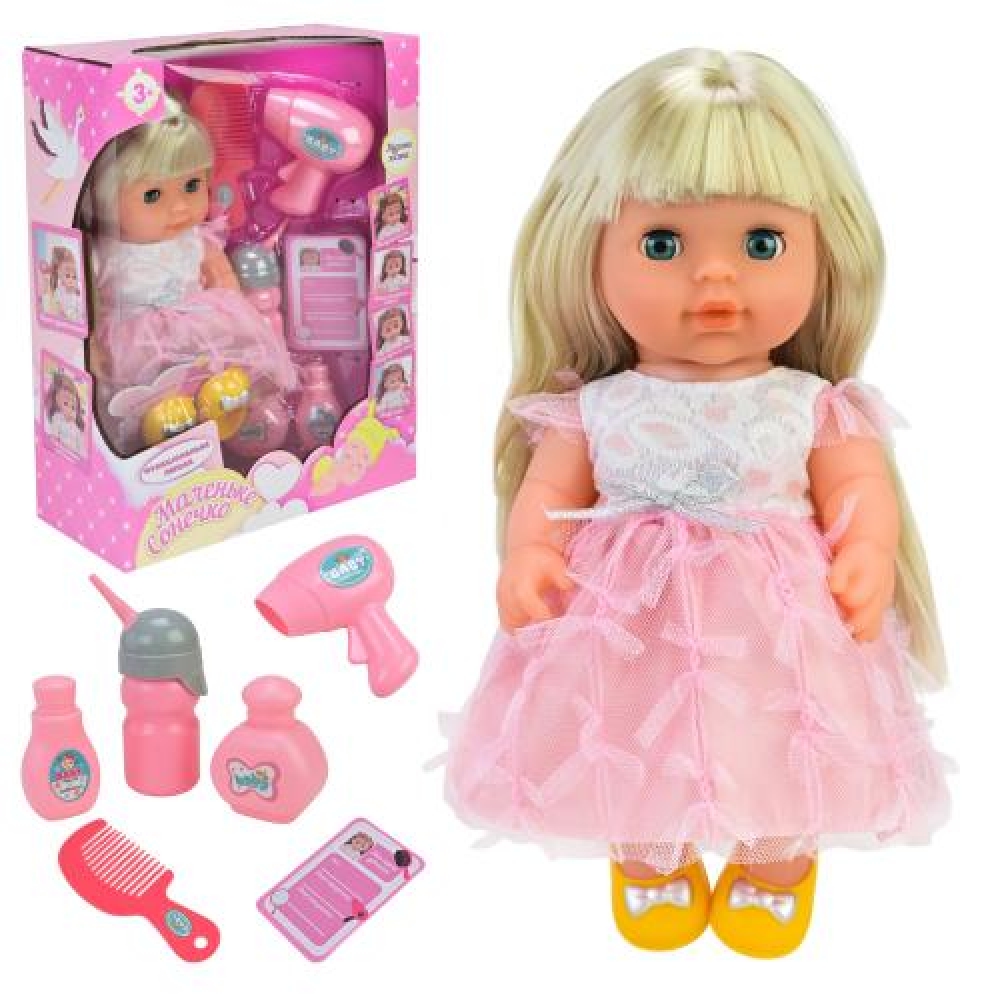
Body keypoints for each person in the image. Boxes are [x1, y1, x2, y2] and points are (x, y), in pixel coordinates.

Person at [443, 48, 950, 959]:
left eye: (761, 245)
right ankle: (651, 855)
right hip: (625, 623)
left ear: (822, 252)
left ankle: (775, 863)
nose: (715, 279)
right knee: (628, 727)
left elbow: (858, 486)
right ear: (589, 255)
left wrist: (869, 550)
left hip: (776, 623)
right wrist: (530, 553)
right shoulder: (594, 407)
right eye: (663, 246)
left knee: (779, 729)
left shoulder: (810, 403)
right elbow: (550, 491)